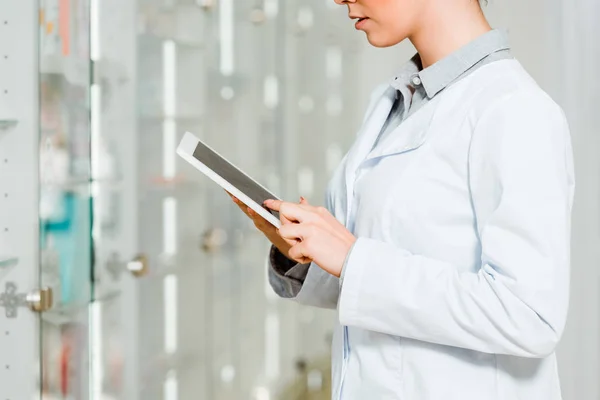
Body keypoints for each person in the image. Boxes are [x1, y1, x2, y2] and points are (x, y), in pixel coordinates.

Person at [230, 0, 575, 399]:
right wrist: (300, 250)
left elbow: (528, 317)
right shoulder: (394, 102)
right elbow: (372, 281)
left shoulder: (515, 109)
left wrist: (352, 258)